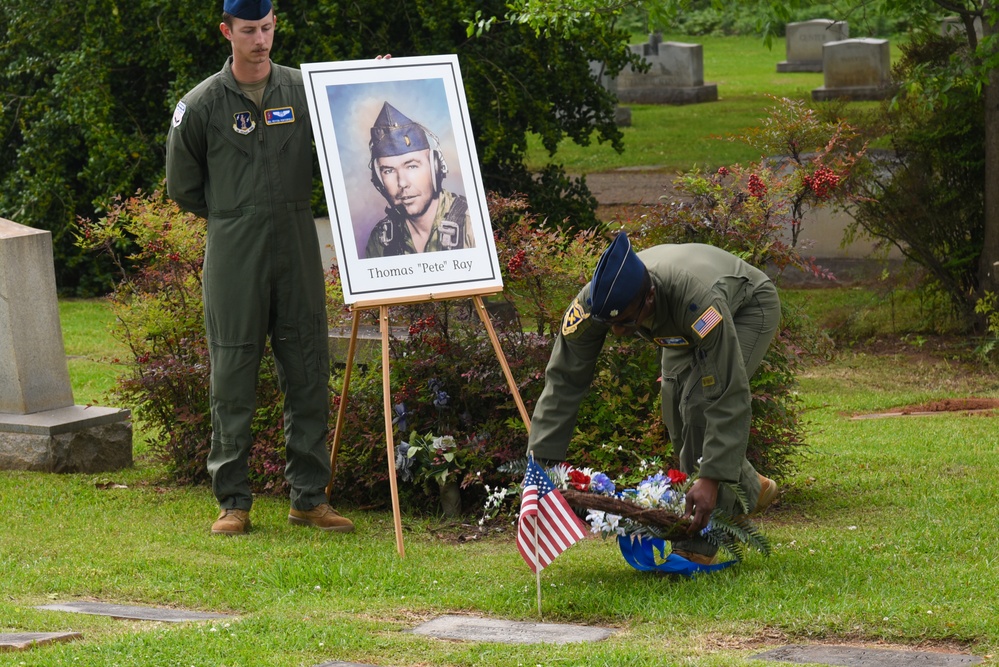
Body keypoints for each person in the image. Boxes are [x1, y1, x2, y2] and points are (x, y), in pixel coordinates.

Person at [165, 0, 354, 535]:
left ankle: (309, 498)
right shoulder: (200, 104)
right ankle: (233, 501)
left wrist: (375, 79)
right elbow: (182, 185)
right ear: (227, 31)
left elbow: (352, 121)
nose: (261, 40)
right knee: (232, 372)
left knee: (308, 366)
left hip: (296, 241)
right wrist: (235, 213)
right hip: (233, 246)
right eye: (249, 30)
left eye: (267, 28)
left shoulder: (303, 90)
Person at [526, 232, 782, 564]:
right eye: (610, 325)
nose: (617, 333)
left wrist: (710, 478)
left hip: (746, 306)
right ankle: (750, 487)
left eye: (626, 323)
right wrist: (540, 465)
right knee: (674, 409)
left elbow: (726, 392)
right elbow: (563, 379)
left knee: (698, 405)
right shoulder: (595, 302)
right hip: (672, 325)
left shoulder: (697, 301)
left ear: (648, 297)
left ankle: (698, 541)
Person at [364, 101, 475, 257]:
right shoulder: (381, 240)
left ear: (435, 167)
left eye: (412, 166)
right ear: (379, 181)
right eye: (388, 170)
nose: (402, 183)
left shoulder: (472, 225)